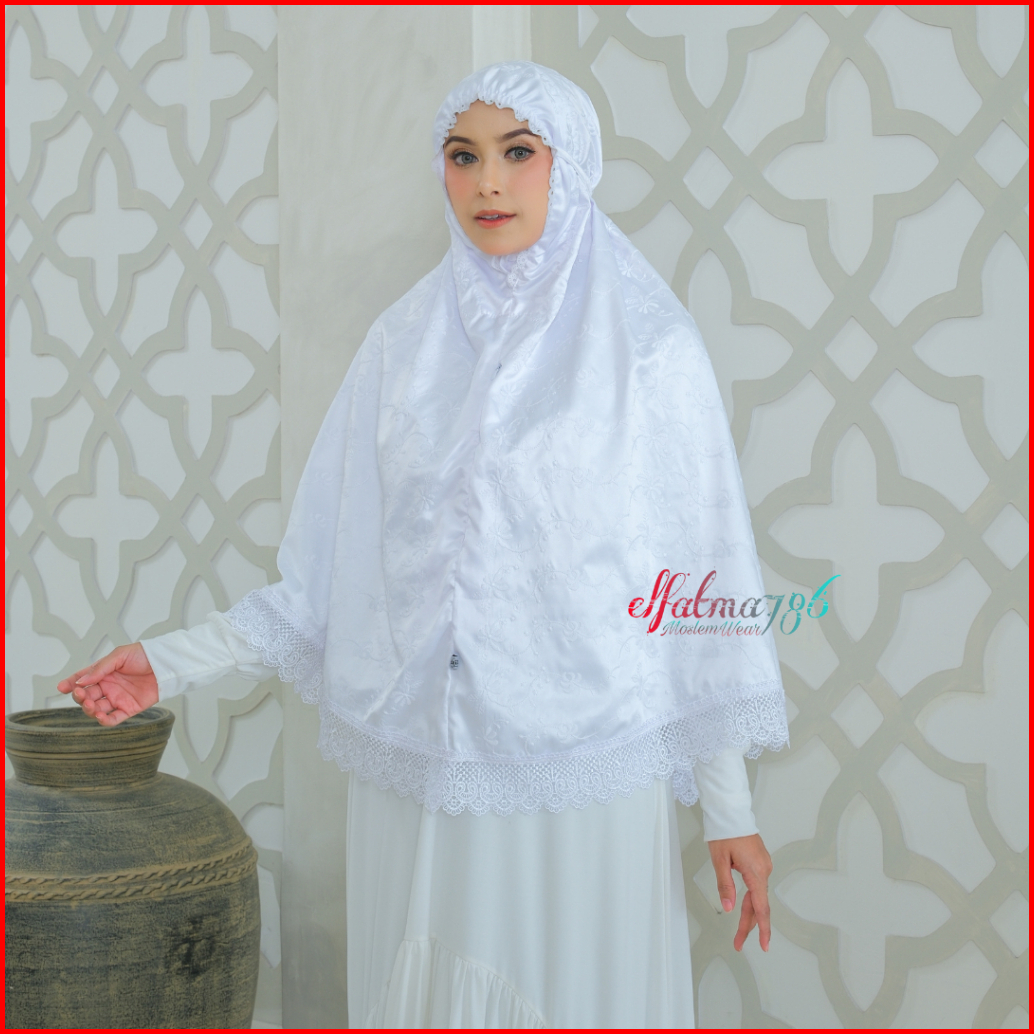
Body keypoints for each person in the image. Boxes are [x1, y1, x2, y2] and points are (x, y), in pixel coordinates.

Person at [60, 62, 788, 1027]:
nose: (488, 182)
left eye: (518, 152)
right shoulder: (401, 347)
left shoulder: (649, 353)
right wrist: (169, 662)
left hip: (577, 777)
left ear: (572, 165)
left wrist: (729, 810)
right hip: (420, 779)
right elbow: (322, 581)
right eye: (462, 155)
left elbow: (697, 589)